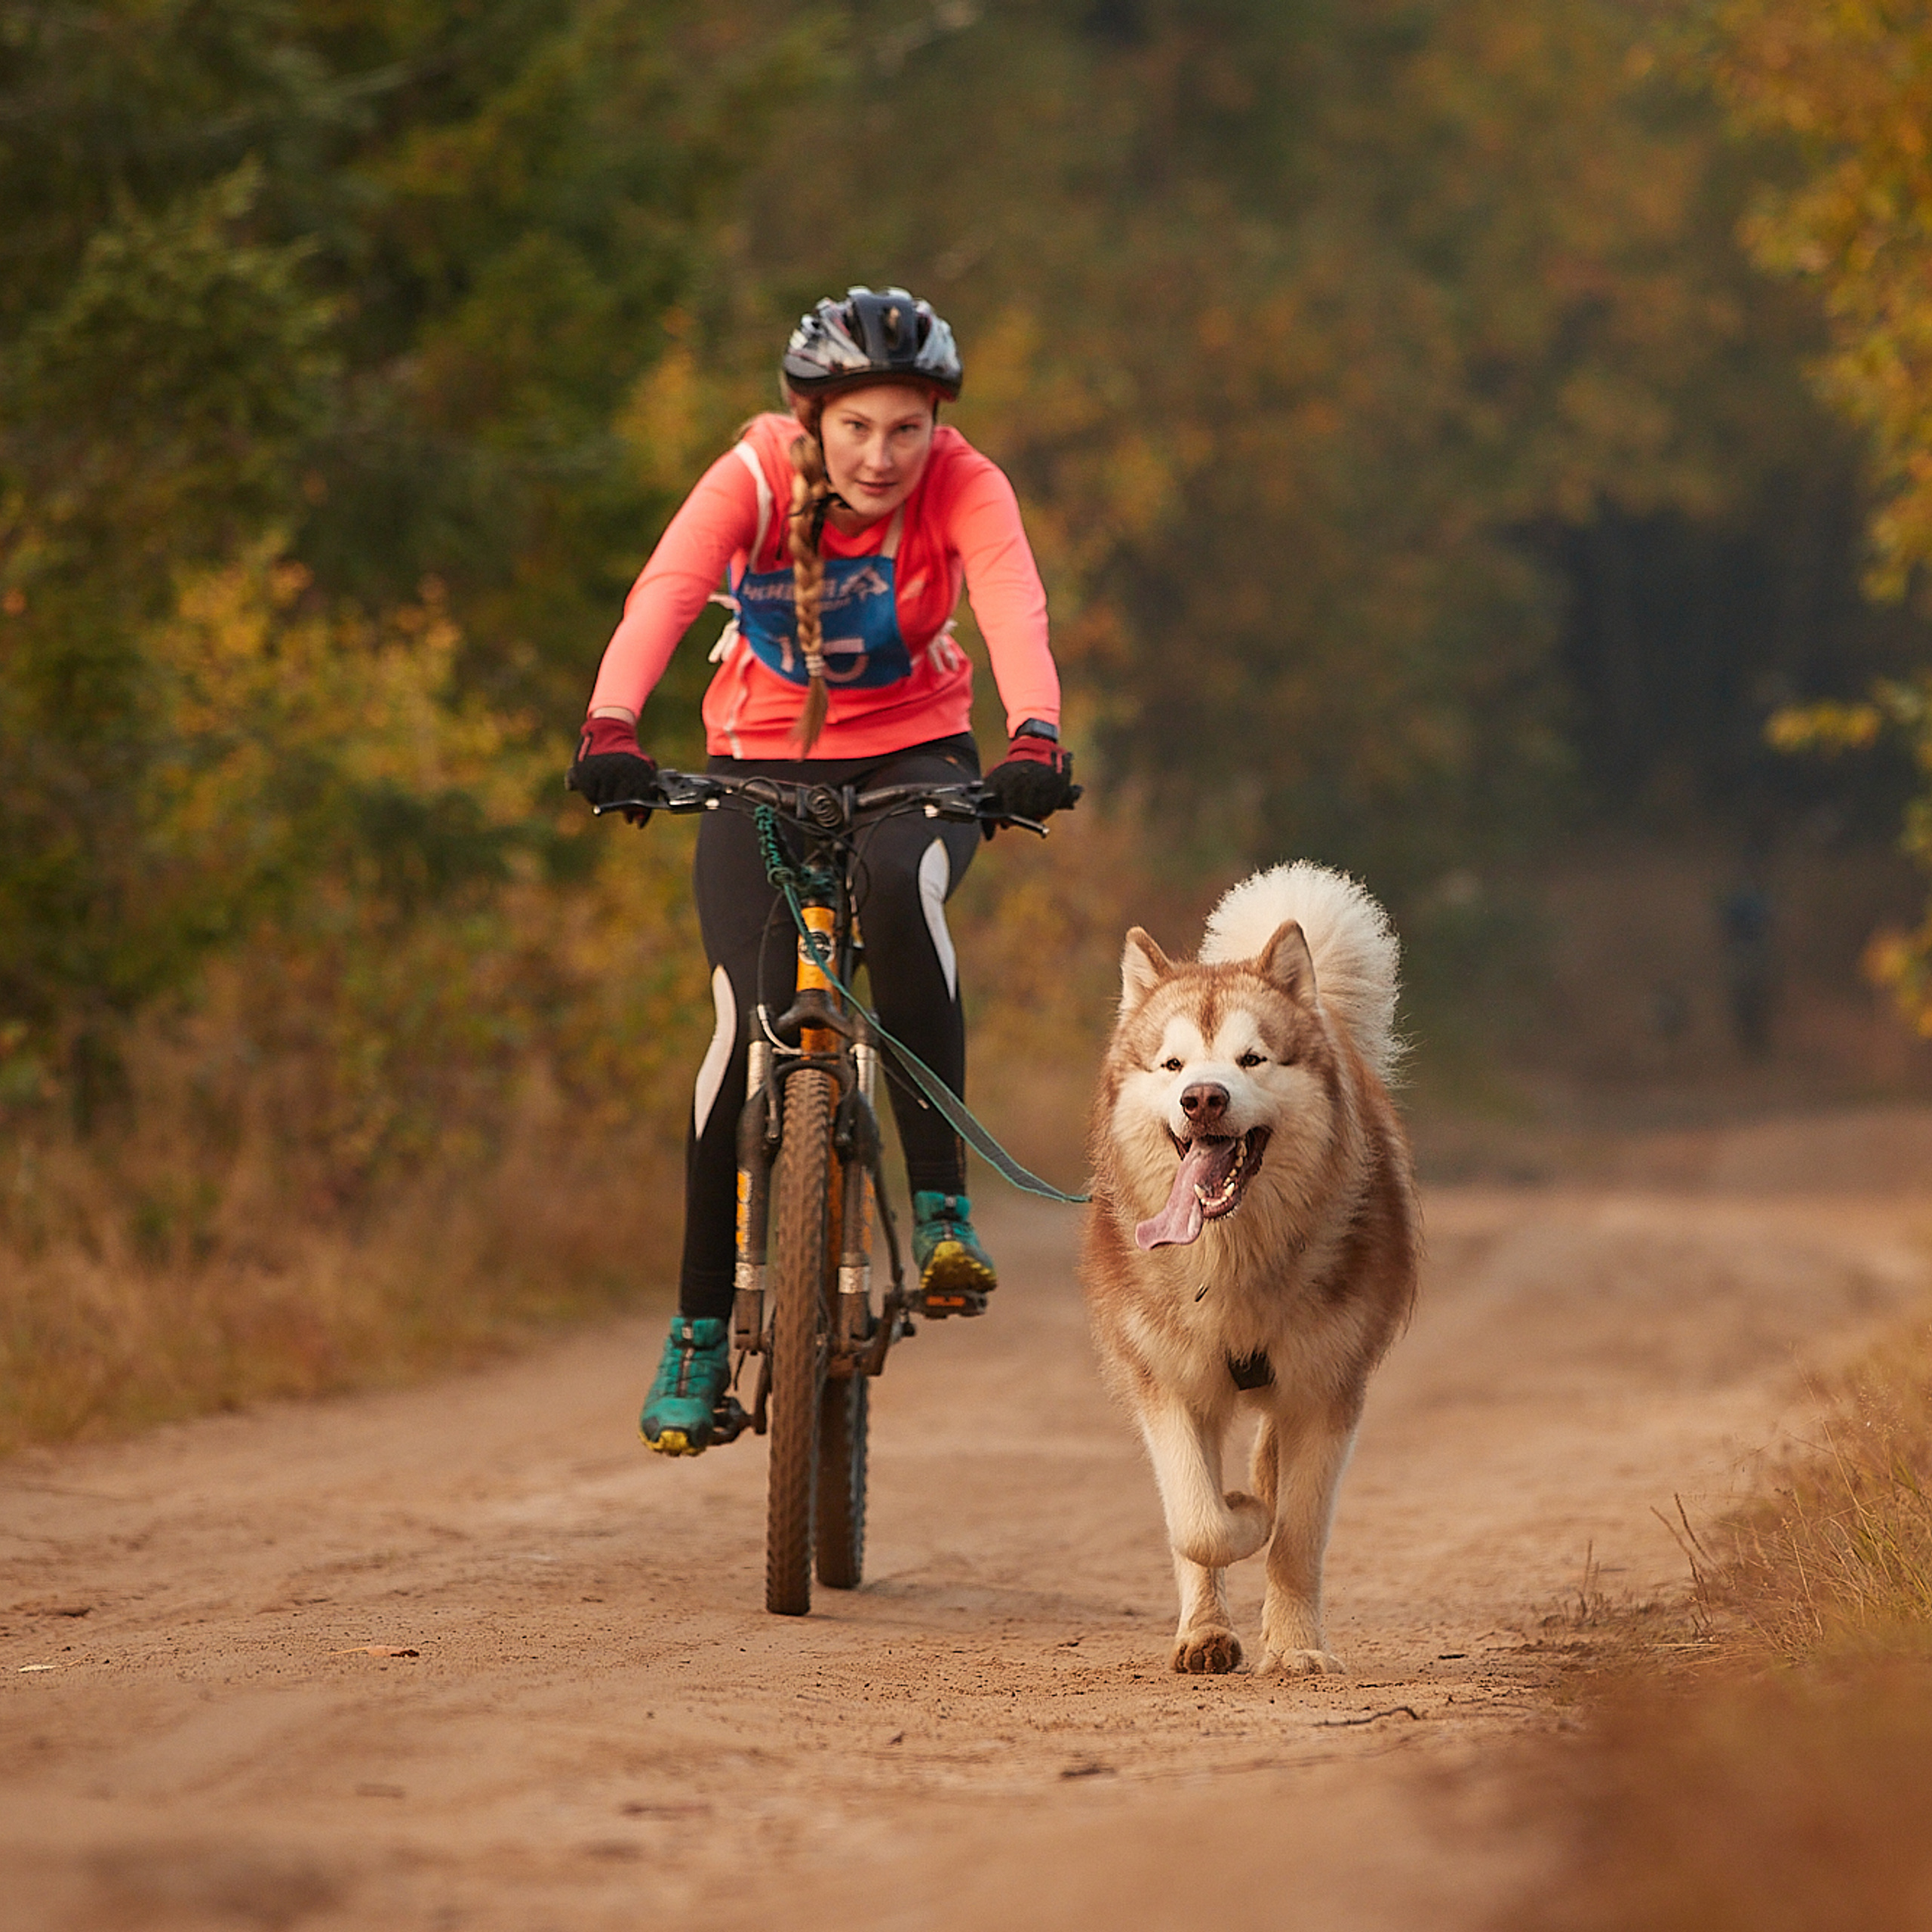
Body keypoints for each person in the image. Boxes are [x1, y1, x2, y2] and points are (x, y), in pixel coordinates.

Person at [568, 287, 1077, 1456]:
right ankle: (698, 1331)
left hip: (919, 761)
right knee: (733, 1034)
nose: (883, 456)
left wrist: (1034, 736)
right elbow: (668, 591)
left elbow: (1011, 606)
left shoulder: (966, 485)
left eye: (907, 428)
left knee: (905, 893)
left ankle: (944, 1204)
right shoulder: (751, 476)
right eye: (857, 429)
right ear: (811, 420)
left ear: (936, 422)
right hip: (755, 767)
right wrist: (612, 727)